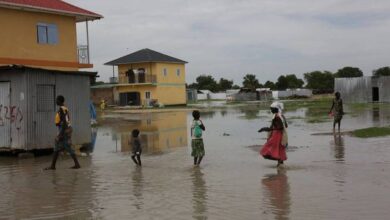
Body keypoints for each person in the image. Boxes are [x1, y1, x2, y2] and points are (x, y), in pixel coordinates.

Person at [45, 95, 81, 170]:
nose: (56, 101)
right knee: (63, 147)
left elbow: (64, 122)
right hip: (66, 129)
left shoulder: (62, 109)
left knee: (58, 147)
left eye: (57, 100)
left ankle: (53, 166)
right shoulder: (65, 108)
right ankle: (76, 164)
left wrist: (60, 135)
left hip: (64, 130)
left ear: (60, 101)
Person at [259, 102, 288, 167]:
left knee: (268, 148)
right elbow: (285, 125)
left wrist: (267, 129)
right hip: (280, 134)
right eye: (271, 109)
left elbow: (280, 127)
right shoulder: (281, 116)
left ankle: (280, 165)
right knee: (279, 148)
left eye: (272, 109)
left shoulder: (277, 117)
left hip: (277, 135)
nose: (271, 110)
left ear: (277, 109)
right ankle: (280, 166)